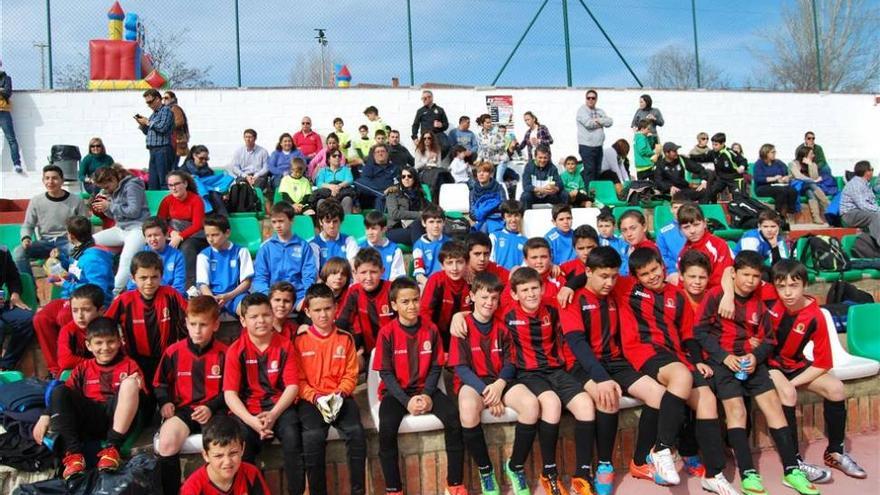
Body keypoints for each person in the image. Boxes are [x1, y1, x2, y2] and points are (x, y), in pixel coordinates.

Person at [695, 251, 818, 495]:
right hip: (724, 364)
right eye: (745, 275)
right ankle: (748, 474)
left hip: (752, 363)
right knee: (736, 411)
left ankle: (791, 470)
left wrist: (755, 356)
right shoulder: (715, 296)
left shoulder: (760, 299)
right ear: (735, 274)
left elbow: (769, 340)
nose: (750, 281)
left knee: (773, 405)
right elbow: (700, 332)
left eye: (755, 276)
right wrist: (724, 357)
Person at [765, 260, 867, 480]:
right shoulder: (769, 301)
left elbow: (823, 363)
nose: (787, 293)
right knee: (788, 393)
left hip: (795, 364)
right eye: (781, 287)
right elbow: (735, 273)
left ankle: (835, 453)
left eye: (794, 286)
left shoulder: (816, 315)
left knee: (836, 388)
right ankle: (794, 461)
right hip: (768, 365)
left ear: (804, 285)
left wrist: (792, 381)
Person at [448, 272, 539, 495]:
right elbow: (460, 368)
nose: (489, 303)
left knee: (531, 405)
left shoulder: (503, 327)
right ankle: (486, 470)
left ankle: (515, 466)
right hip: (474, 383)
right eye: (484, 297)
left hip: (500, 380)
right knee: (468, 411)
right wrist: (486, 392)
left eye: (494, 298)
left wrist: (498, 386)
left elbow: (511, 363)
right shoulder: (462, 325)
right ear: (472, 297)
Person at [373, 277, 466, 495]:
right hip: (396, 394)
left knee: (453, 418)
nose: (412, 306)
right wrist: (406, 402)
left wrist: (426, 395)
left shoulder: (431, 329)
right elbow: (385, 373)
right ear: (394, 305)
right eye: (405, 302)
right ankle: (394, 488)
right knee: (386, 428)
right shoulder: (386, 333)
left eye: (415, 300)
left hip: (427, 390)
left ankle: (455, 484)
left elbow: (435, 368)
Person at [41, 317, 145, 479]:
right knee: (59, 390)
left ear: (119, 342)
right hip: (91, 417)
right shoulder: (83, 368)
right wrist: (45, 415)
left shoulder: (129, 365)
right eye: (98, 343)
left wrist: (135, 386)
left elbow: (142, 399)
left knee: (131, 383)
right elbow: (63, 399)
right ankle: (74, 456)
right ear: (89, 345)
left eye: (111, 342)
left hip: (118, 419)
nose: (105, 348)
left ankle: (112, 449)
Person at [223, 293, 303, 495]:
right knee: (241, 444)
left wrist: (273, 415)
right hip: (247, 411)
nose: (261, 321)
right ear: (243, 320)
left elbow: (292, 386)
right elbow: (230, 394)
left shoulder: (285, 345)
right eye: (254, 316)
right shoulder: (235, 350)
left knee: (294, 437)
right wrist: (251, 421)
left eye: (266, 315)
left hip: (279, 407)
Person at [295, 284, 367, 495]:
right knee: (313, 436)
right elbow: (298, 380)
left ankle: (358, 491)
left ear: (336, 308)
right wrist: (316, 397)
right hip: (312, 401)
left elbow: (351, 374)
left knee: (356, 433)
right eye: (317, 310)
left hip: (340, 397)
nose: (323, 314)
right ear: (308, 312)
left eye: (327, 308)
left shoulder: (345, 338)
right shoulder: (300, 341)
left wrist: (340, 395)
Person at [154, 295, 227, 495]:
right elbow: (159, 383)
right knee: (167, 443)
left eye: (203, 324)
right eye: (192, 324)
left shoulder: (225, 353)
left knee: (222, 446)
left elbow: (231, 390)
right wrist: (165, 401)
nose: (197, 330)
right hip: (184, 411)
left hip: (216, 411)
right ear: (186, 323)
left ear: (215, 325)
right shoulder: (173, 352)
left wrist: (211, 407)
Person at [105, 251, 187, 384]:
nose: (149, 282)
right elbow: (105, 326)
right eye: (143, 278)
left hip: (166, 359)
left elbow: (189, 318)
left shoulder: (171, 295)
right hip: (136, 362)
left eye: (154, 277)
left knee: (167, 399)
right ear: (133, 278)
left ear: (161, 276)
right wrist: (118, 350)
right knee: (144, 401)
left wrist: (183, 348)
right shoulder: (124, 300)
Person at [14, 164, 89, 277]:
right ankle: (30, 289)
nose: (50, 181)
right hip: (44, 242)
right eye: (47, 178)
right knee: (19, 252)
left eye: (54, 178)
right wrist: (26, 238)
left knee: (78, 253)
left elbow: (85, 225)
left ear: (62, 180)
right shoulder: (36, 201)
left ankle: (72, 286)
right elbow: (28, 224)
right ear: (43, 180)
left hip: (68, 241)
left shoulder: (76, 201)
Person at [91, 164, 149, 294]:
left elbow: (133, 211)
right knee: (89, 241)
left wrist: (110, 205)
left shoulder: (132, 185)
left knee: (126, 260)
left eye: (106, 187)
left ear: (113, 179)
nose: (106, 190)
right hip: (120, 228)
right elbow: (115, 214)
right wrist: (104, 209)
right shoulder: (113, 189)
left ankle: (112, 294)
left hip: (137, 228)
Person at [179, 416, 271, 495]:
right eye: (219, 456)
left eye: (233, 453)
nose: (227, 462)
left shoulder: (251, 473)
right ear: (206, 455)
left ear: (242, 449)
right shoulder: (193, 488)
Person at [252, 202, 317, 311]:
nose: (277, 225)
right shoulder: (266, 248)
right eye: (274, 222)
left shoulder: (303, 246)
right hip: (273, 297)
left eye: (281, 221)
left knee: (311, 310)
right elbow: (260, 277)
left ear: (291, 221)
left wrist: (305, 294)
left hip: (298, 296)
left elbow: (309, 275)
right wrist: (267, 296)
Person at [336, 248, 394, 357]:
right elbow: (342, 322)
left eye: (373, 272)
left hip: (394, 350)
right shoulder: (354, 291)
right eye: (363, 272)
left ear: (382, 271)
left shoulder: (392, 290)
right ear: (355, 273)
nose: (368, 277)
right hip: (367, 352)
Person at [196, 214, 254, 317]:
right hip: (212, 296)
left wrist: (229, 296)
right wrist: (212, 299)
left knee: (250, 313)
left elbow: (247, 282)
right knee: (201, 316)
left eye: (215, 235)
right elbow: (203, 285)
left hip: (236, 295)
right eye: (207, 235)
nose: (210, 239)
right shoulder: (203, 255)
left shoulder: (241, 252)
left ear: (227, 233)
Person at [158, 170, 207, 290]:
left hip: (195, 236)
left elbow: (197, 225)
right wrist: (172, 232)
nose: (173, 188)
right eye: (170, 185)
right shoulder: (167, 200)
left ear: (185, 184)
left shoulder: (196, 200)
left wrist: (179, 236)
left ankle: (189, 285)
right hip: (174, 233)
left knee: (187, 246)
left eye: (177, 184)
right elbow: (160, 221)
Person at [420, 241, 471, 349]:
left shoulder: (472, 282)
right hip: (437, 334)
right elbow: (424, 312)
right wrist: (433, 338)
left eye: (459, 262)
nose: (455, 268)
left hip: (464, 335)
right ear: (442, 265)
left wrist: (462, 315)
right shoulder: (436, 280)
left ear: (466, 263)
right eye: (449, 263)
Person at [678, 203, 733, 288]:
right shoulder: (683, 253)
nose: (692, 231)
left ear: (704, 224)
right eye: (686, 227)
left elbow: (723, 281)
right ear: (680, 230)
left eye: (696, 225)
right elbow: (682, 284)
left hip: (717, 295)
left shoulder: (719, 246)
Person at [128, 217, 186, 295]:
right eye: (149, 236)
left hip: (169, 298)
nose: (153, 239)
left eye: (156, 235)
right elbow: (132, 286)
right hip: (145, 298)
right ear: (145, 238)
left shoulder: (177, 256)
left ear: (166, 235)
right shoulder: (139, 256)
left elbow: (179, 288)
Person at [55, 284, 104, 373]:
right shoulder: (68, 330)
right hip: (75, 377)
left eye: (86, 310)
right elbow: (65, 361)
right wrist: (99, 363)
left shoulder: (106, 328)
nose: (80, 316)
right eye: (75, 311)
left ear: (101, 310)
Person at [0, 247, 34, 371]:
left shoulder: (3, 252)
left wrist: (15, 294)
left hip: (2, 304)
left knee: (27, 319)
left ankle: (6, 365)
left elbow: (13, 278)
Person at [135, 89, 175, 190]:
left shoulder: (166, 110)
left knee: (164, 182)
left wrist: (148, 122)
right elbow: (149, 132)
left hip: (163, 149)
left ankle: (166, 203)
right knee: (153, 182)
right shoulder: (154, 114)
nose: (149, 105)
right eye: (147, 102)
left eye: (150, 101)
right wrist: (142, 125)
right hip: (153, 150)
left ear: (158, 99)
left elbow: (162, 128)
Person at [694, 133, 748, 202]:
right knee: (710, 193)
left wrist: (742, 167)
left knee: (739, 199)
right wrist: (689, 157)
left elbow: (743, 160)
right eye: (712, 144)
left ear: (722, 144)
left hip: (734, 179)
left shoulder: (729, 152)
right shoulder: (713, 153)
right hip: (722, 179)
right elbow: (701, 157)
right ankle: (712, 207)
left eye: (716, 145)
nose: (713, 147)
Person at [576, 89, 614, 187]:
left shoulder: (600, 111)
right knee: (589, 171)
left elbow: (610, 122)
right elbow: (589, 124)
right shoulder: (582, 110)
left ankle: (596, 193)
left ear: (596, 99)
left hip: (598, 146)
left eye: (593, 98)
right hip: (586, 146)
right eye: (588, 98)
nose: (590, 100)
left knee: (597, 171)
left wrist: (598, 120)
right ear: (586, 99)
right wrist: (602, 122)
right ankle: (589, 195)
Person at [309, 199, 359, 269]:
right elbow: (315, 274)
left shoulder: (349, 241)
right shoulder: (314, 244)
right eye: (328, 221)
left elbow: (354, 268)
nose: (332, 226)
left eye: (335, 221)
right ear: (320, 222)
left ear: (340, 222)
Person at [753, 144, 800, 218]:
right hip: (762, 187)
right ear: (766, 153)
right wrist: (774, 178)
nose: (775, 154)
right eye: (772, 152)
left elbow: (786, 173)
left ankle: (790, 212)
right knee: (781, 191)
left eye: (775, 152)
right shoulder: (759, 164)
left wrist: (786, 178)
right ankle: (777, 214)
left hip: (778, 185)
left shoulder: (778, 162)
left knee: (792, 190)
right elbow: (758, 179)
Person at [840, 161, 880, 245]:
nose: (873, 172)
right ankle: (877, 244)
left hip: (860, 213)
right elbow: (863, 205)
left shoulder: (866, 184)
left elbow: (872, 203)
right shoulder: (856, 184)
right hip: (849, 215)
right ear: (867, 172)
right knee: (875, 216)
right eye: (871, 169)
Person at [385, 165, 428, 245]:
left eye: (409, 176)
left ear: (414, 178)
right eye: (403, 176)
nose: (406, 178)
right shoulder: (393, 193)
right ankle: (419, 253)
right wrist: (419, 214)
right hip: (396, 229)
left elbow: (429, 208)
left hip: (415, 227)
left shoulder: (420, 193)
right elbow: (394, 214)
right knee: (419, 228)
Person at [790, 146, 830, 224]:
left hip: (809, 187)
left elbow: (815, 176)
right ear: (805, 154)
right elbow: (798, 176)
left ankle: (816, 217)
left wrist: (810, 165)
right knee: (811, 184)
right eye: (811, 154)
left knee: (810, 192)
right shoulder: (793, 163)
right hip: (797, 187)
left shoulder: (813, 164)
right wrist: (813, 180)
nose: (813, 155)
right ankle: (827, 205)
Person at [361, 210, 405, 281]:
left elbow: (396, 278)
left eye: (373, 229)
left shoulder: (394, 250)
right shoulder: (359, 248)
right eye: (367, 229)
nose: (370, 233)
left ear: (383, 229)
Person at [354, 144, 398, 211]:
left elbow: (397, 182)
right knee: (358, 182)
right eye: (378, 152)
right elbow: (365, 183)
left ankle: (381, 195)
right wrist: (381, 191)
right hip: (372, 194)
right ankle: (380, 193)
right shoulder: (369, 167)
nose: (380, 153)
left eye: (382, 151)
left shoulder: (394, 167)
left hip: (388, 193)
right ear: (374, 155)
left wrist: (393, 188)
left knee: (381, 198)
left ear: (387, 154)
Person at [412, 205, 449, 284]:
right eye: (431, 222)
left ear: (444, 222)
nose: (436, 226)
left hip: (448, 282)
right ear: (423, 223)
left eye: (439, 221)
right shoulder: (419, 246)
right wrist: (431, 286)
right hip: (428, 283)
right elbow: (419, 275)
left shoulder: (450, 242)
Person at [521, 144, 566, 209]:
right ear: (535, 157)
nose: (542, 160)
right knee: (525, 196)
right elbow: (526, 186)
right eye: (540, 157)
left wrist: (556, 188)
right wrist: (540, 190)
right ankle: (525, 216)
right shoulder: (529, 167)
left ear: (548, 158)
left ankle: (563, 215)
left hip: (549, 196)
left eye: (545, 158)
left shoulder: (552, 168)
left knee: (564, 194)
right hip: (534, 195)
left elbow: (560, 183)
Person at [656, 193, 689, 283]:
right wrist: (675, 269)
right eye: (675, 207)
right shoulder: (664, 232)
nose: (678, 211)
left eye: (681, 207)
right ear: (671, 210)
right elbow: (662, 256)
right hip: (674, 271)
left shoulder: (695, 227)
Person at [489, 199, 527, 271]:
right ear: (504, 218)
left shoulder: (526, 241)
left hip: (516, 279)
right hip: (497, 278)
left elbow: (525, 264)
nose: (513, 219)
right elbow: (490, 259)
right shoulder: (494, 236)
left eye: (516, 216)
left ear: (521, 217)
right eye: (509, 216)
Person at [618, 209, 658, 276]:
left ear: (644, 227)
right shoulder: (631, 248)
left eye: (633, 228)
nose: (629, 234)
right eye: (624, 230)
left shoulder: (648, 250)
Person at [468, 161, 506, 232]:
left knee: (487, 225)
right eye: (479, 172)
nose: (481, 174)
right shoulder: (473, 192)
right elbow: (472, 214)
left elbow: (503, 206)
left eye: (485, 172)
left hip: (496, 219)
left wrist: (485, 211)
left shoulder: (498, 188)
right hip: (480, 221)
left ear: (491, 174)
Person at [0, 61, 22, 173]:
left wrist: (3, 91)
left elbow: (7, 92)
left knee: (11, 138)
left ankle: (17, 164)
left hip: (3, 111)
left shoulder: (6, 78)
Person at [475, 114, 510, 183]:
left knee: (498, 179)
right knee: (489, 180)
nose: (489, 124)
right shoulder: (479, 135)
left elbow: (503, 143)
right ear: (482, 124)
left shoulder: (496, 131)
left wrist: (492, 146)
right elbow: (481, 149)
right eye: (487, 123)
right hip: (489, 161)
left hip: (501, 159)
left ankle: (502, 193)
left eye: (490, 122)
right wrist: (478, 159)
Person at [163, 91, 189, 166]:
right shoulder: (167, 109)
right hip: (171, 140)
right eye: (163, 98)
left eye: (166, 98)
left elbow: (180, 121)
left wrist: (165, 126)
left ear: (173, 99)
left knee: (172, 164)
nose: (164, 100)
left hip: (176, 140)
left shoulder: (175, 108)